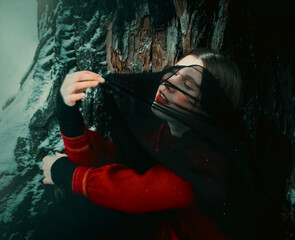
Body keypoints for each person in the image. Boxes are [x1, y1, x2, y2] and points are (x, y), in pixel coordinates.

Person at [42, 48, 260, 239]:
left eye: (187, 84)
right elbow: (109, 159)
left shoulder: (209, 165)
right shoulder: (168, 132)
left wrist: (65, 172)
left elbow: (134, 194)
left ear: (208, 107)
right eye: (173, 71)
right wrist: (68, 114)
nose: (168, 81)